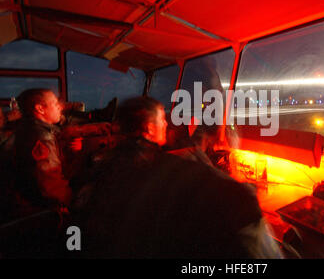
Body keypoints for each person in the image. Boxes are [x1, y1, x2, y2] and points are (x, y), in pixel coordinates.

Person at [78, 96, 282, 258]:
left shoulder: (101, 163)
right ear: (149, 128)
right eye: (162, 119)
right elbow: (239, 198)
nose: (166, 124)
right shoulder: (160, 165)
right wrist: (250, 190)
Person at [12, 88, 72, 217]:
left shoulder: (30, 128)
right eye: (55, 103)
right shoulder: (42, 137)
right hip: (44, 211)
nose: (60, 107)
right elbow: (51, 187)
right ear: (40, 109)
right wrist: (75, 202)